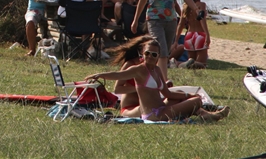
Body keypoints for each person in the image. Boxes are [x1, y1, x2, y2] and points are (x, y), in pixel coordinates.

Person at [86, 38, 229, 122]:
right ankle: (206, 115)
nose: (149, 57)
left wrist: (188, 95)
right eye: (147, 53)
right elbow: (118, 75)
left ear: (158, 56)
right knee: (196, 101)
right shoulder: (138, 69)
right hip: (152, 114)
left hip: (159, 107)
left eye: (153, 54)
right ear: (142, 53)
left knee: (182, 94)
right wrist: (99, 75)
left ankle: (205, 114)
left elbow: (167, 93)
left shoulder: (157, 70)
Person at [131, 0, 201, 78]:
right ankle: (163, 82)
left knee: (165, 52)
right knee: (162, 51)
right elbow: (142, 0)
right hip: (154, 19)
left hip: (171, 20)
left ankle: (151, 75)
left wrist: (196, 9)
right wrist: (135, 20)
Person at [173, 0, 210, 69]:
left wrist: (176, 40)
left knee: (191, 60)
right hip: (199, 34)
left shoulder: (185, 7)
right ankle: (178, 64)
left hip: (189, 35)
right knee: (202, 63)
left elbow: (180, 25)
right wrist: (207, 35)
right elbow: (202, 21)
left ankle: (179, 64)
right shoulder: (201, 5)